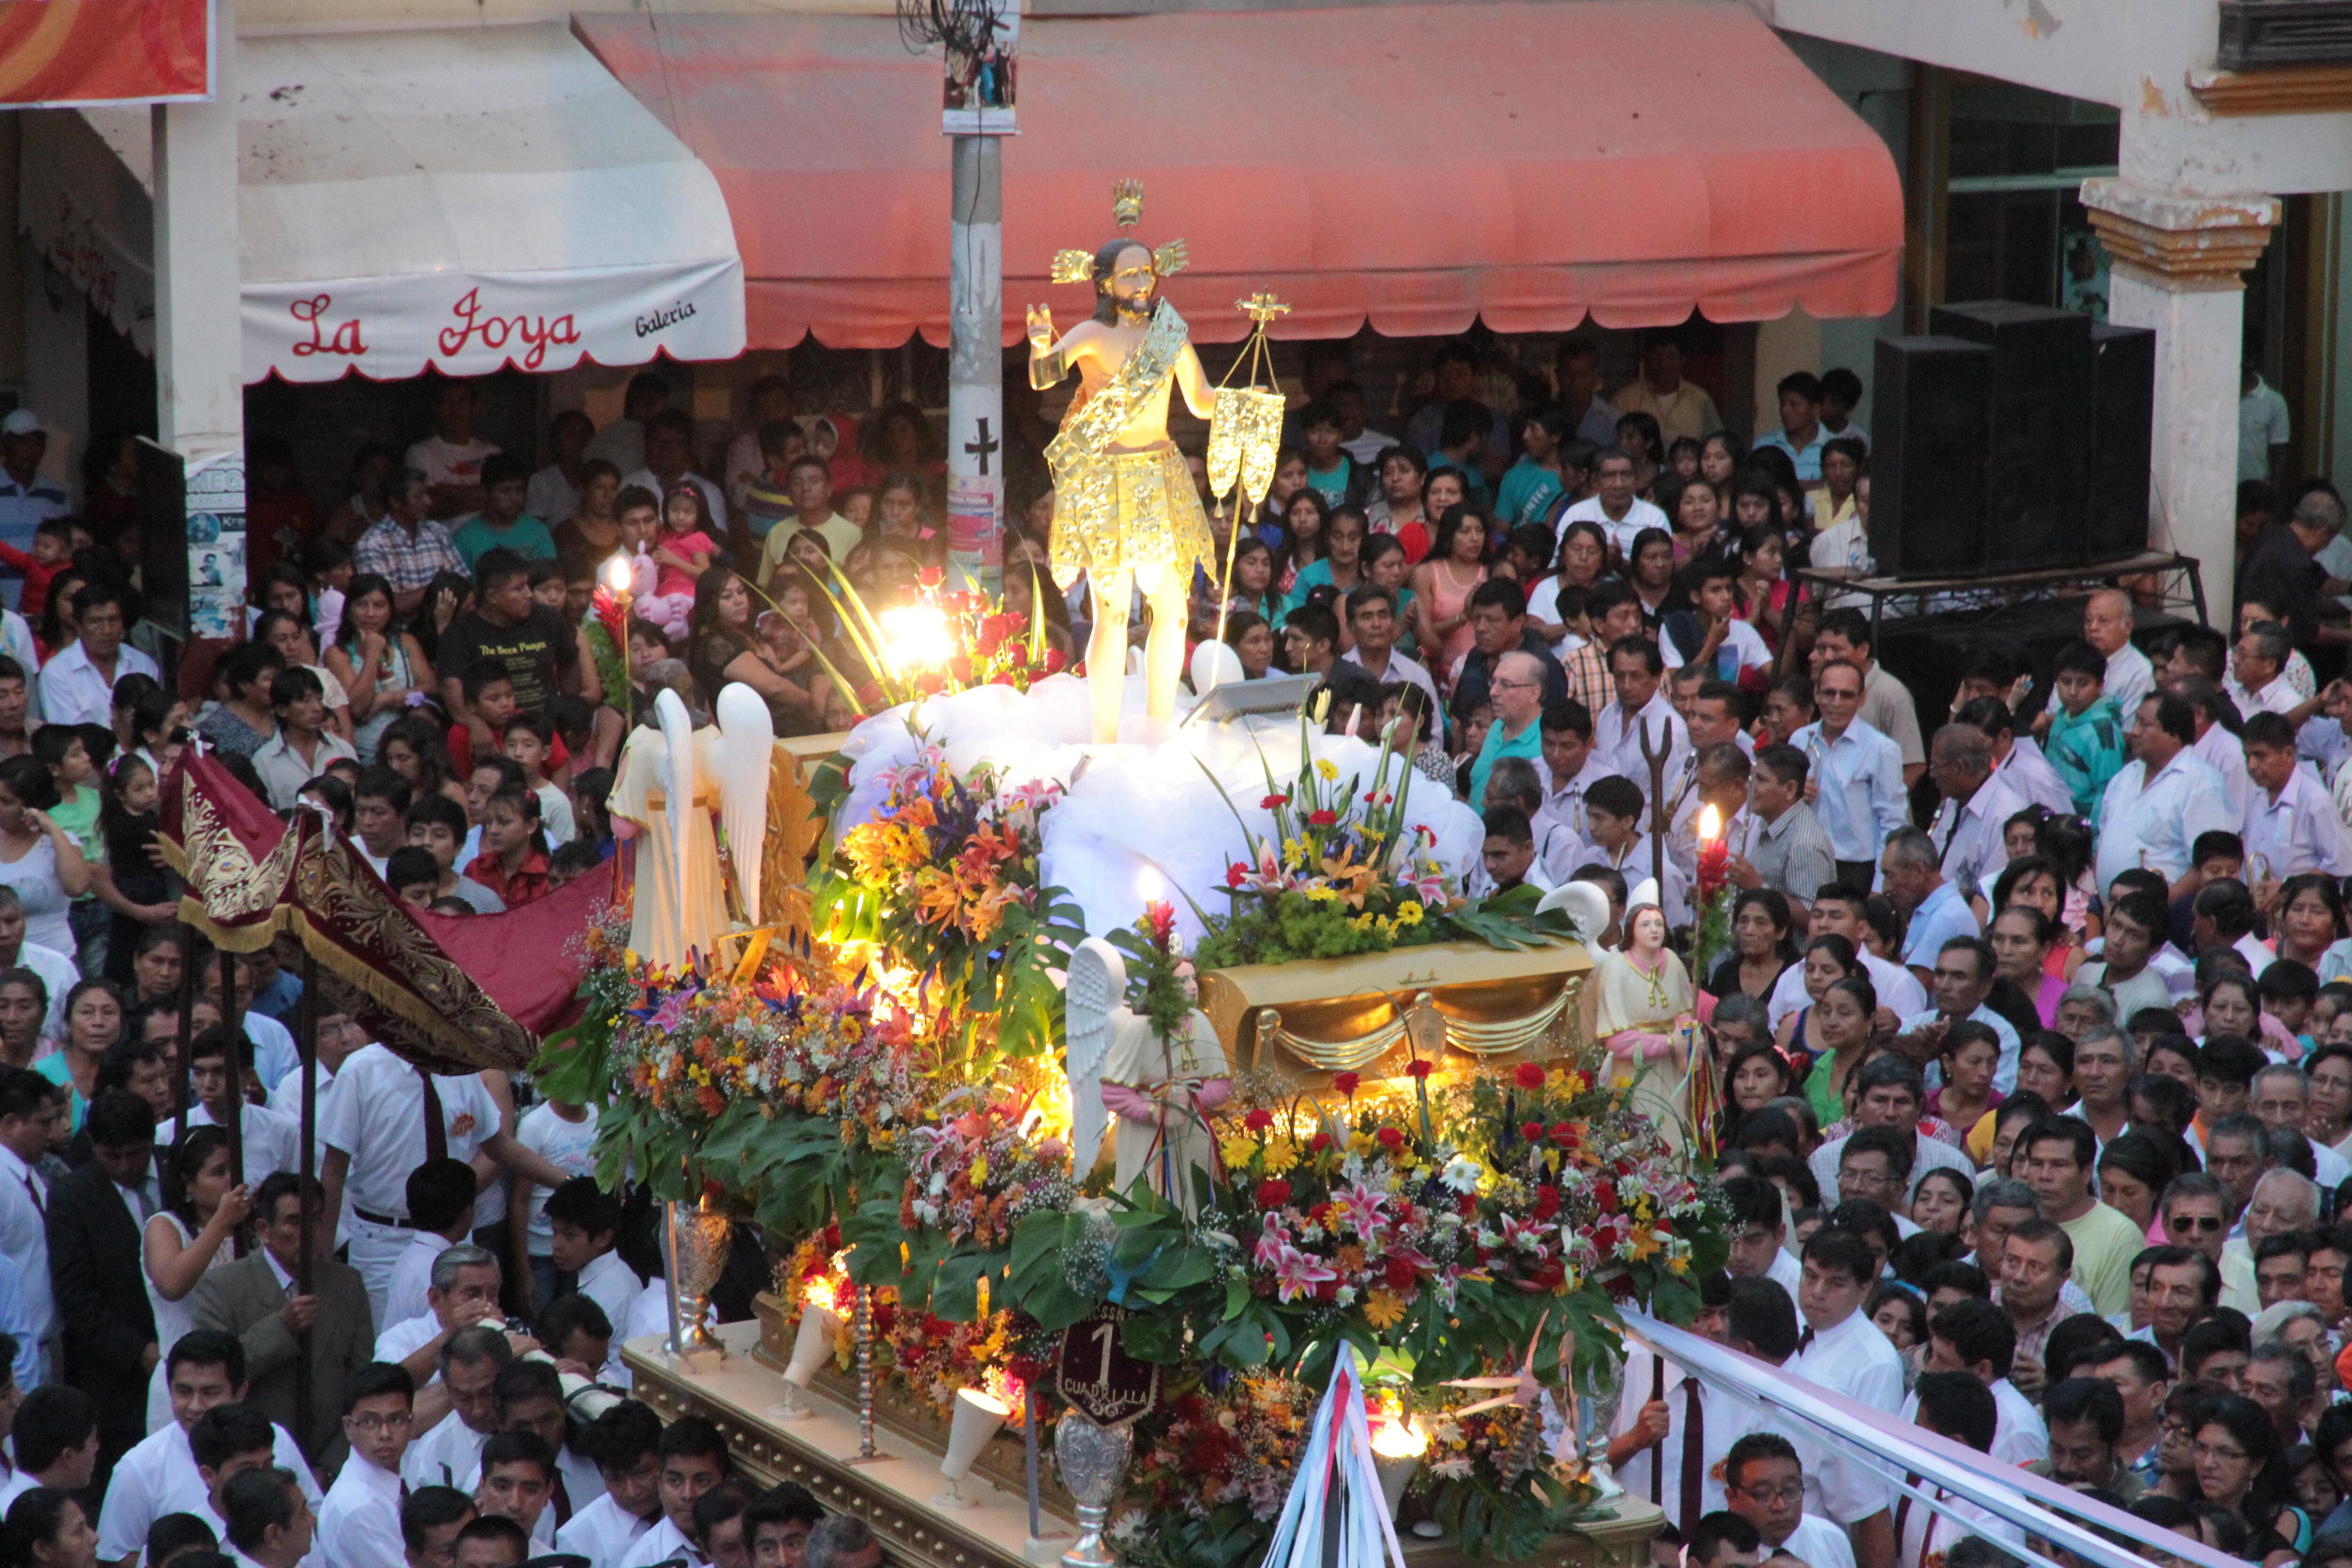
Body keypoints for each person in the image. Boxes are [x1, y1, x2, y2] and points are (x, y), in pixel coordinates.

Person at [190, 1172, 375, 1466]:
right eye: (294, 1222)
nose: (308, 1232)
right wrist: (281, 1328)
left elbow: (364, 1387)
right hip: (253, 1462)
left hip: (332, 1463)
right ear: (264, 1230)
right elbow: (217, 1378)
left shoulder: (347, 1285)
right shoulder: (221, 1289)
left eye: (316, 1220)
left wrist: (330, 1467)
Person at [93, 1331, 321, 1565]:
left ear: (240, 1392)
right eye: (184, 1392)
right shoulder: (137, 1468)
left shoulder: (277, 1439)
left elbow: (312, 1518)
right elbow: (117, 1558)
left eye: (210, 1392)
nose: (195, 1406)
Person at [143, 1128, 250, 1435]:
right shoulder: (165, 1226)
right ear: (188, 1183)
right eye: (218, 1172)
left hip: (234, 1381)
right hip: (183, 1385)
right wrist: (222, 1222)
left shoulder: (248, 1229)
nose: (231, 1181)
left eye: (234, 1170)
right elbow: (172, 1284)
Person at [317, 1364, 417, 1568]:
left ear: (411, 1423)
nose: (385, 1434)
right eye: (370, 1422)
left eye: (396, 1420)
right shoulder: (359, 1507)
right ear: (348, 1427)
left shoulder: (395, 1477)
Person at [1811, 611, 1924, 788]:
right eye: (1821, 649)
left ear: (1863, 650)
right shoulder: (1822, 686)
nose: (1827, 657)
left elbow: (1914, 766)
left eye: (1836, 649)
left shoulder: (1892, 694)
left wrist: (1883, 801)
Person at [556, 1402, 661, 1568]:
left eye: (642, 1473)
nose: (632, 1491)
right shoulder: (579, 1539)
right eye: (615, 1479)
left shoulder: (687, 1510)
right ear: (600, 1473)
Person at [612, 1418, 729, 1568]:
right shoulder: (642, 1563)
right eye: (675, 1480)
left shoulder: (747, 1544)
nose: (688, 1494)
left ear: (726, 1484)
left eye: (702, 1481)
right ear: (659, 1485)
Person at [40, 587, 159, 728]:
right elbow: (69, 734)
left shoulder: (143, 664)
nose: (107, 631)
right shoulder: (57, 673)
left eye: (113, 620)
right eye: (96, 622)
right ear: (79, 626)